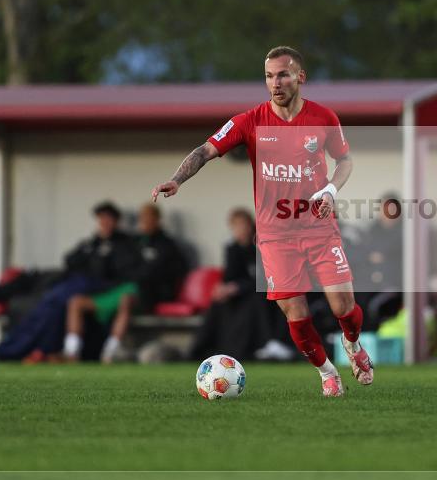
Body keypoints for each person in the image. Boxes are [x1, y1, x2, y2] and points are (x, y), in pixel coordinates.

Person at [151, 46, 371, 397]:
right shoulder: (249, 121)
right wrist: (177, 179)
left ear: (300, 76)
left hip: (318, 227)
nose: (275, 83)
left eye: (282, 74)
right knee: (295, 314)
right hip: (275, 236)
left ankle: (353, 344)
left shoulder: (323, 118)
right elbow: (205, 150)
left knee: (343, 307)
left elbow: (345, 162)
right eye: (269, 76)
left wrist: (330, 190)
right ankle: (328, 374)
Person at [0, 201, 140, 362]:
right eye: (101, 219)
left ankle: (27, 351)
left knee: (53, 307)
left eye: (107, 219)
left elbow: (118, 272)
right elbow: (70, 260)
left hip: (102, 290)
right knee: (46, 305)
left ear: (115, 221)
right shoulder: (91, 243)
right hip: (78, 285)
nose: (104, 223)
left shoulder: (124, 244)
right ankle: (16, 350)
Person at [63, 203, 188, 363]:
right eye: (142, 219)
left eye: (149, 218)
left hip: (148, 294)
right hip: (120, 289)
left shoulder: (166, 245)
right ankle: (71, 352)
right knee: (76, 302)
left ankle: (110, 352)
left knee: (125, 299)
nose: (144, 222)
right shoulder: (131, 243)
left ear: (157, 220)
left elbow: (170, 273)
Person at [190, 208, 293, 362]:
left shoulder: (261, 247)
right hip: (239, 295)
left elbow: (263, 277)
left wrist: (237, 287)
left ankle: (266, 343)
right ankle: (199, 350)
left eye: (243, 225)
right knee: (217, 304)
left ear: (250, 226)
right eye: (236, 226)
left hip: (259, 293)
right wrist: (223, 288)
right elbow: (230, 276)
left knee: (257, 299)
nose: (240, 230)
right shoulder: (232, 249)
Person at [353, 192, 403, 329]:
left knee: (378, 307)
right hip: (369, 282)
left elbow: (396, 256)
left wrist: (383, 256)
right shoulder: (373, 229)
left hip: (394, 283)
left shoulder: (405, 231)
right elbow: (363, 253)